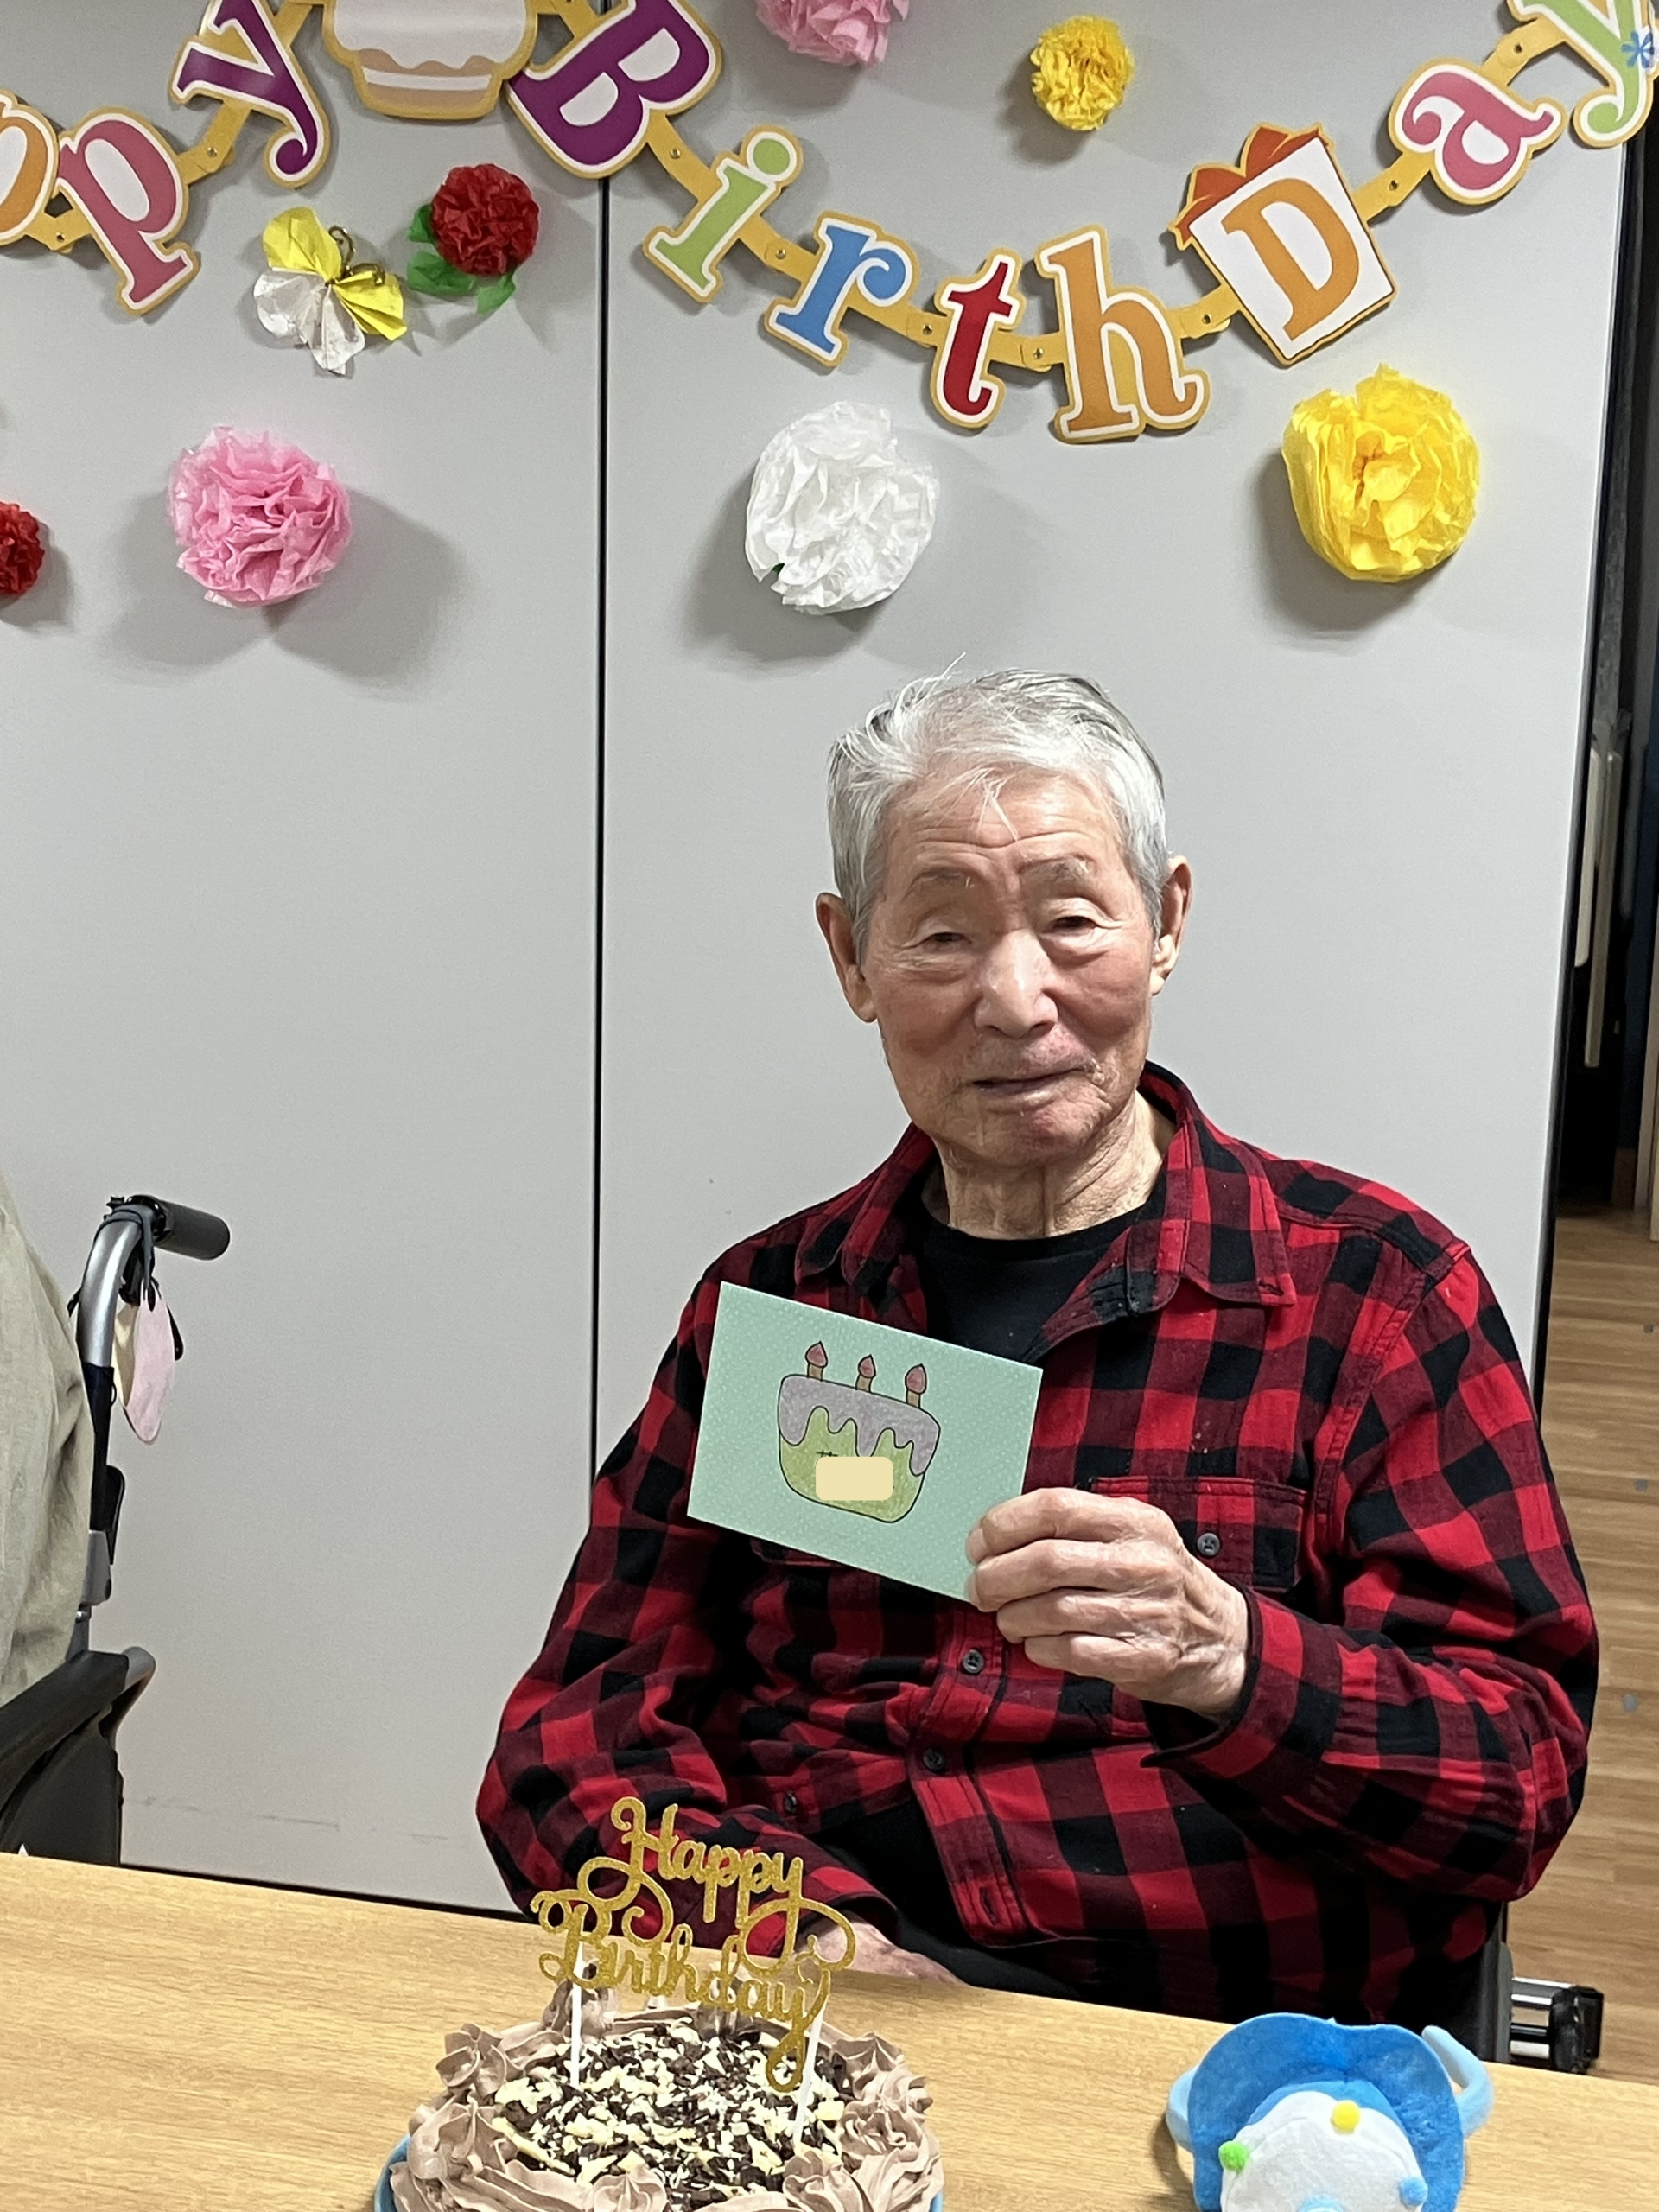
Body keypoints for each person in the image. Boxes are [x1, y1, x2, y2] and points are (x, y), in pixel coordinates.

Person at [479, 670, 1595, 2030]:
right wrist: (789, 1937)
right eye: (943, 937)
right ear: (851, 959)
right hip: (812, 2012)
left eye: (1071, 921)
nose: (1017, 1001)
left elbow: (1514, 1780)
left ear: (1165, 922)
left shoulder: (1375, 1297)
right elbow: (573, 1739)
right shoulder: (781, 1305)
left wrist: (1231, 1657)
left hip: (1207, 2046)